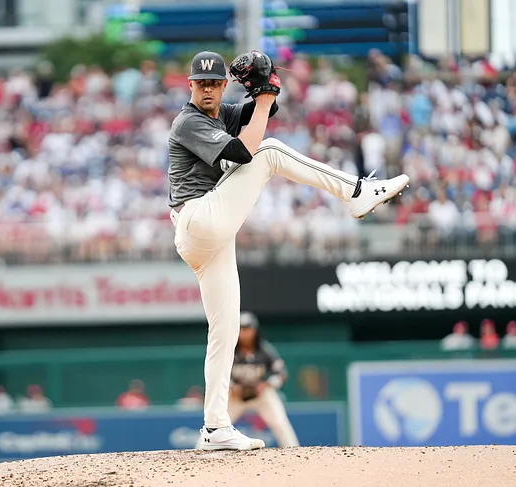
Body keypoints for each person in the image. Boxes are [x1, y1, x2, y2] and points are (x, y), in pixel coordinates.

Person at [167, 50, 409, 450]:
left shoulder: (220, 113)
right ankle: (357, 191)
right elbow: (244, 152)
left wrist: (266, 90)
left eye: (215, 82)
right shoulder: (188, 121)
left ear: (222, 84)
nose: (208, 89)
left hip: (210, 238)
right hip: (198, 218)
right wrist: (262, 97)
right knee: (272, 152)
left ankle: (214, 428)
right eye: (202, 83)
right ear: (190, 86)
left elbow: (261, 111)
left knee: (224, 332)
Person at [229, 312, 299, 447]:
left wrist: (266, 384)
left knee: (280, 423)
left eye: (248, 329)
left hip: (261, 394)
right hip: (236, 395)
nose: (244, 333)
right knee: (216, 424)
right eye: (241, 329)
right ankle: (200, 451)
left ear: (255, 330)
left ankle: (295, 453)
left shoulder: (264, 350)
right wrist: (232, 387)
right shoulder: (230, 350)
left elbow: (281, 373)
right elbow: (219, 374)